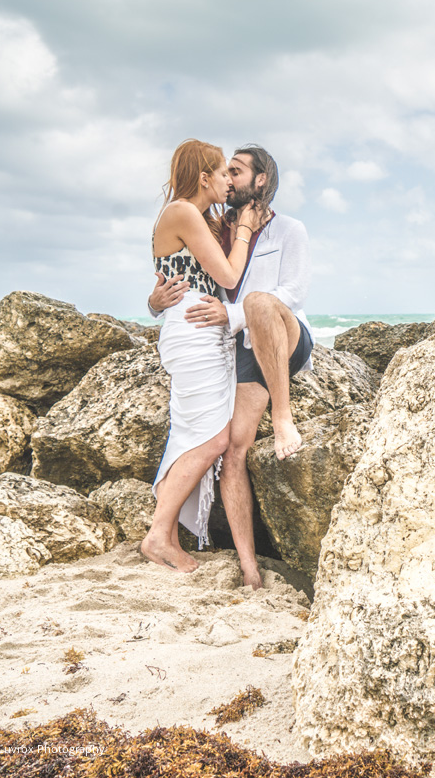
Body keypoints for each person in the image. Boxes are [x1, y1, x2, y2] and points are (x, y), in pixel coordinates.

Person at [148, 144, 314, 588]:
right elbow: (183, 277)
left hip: (282, 334)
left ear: (260, 181)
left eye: (236, 172)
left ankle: (283, 417)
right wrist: (154, 302)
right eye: (224, 171)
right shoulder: (214, 227)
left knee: (259, 301)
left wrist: (233, 313)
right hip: (234, 345)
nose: (228, 179)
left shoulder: (290, 229)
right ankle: (249, 568)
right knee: (231, 447)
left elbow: (293, 293)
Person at [141, 139, 262, 573]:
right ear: (205, 176)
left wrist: (153, 303)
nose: (229, 180)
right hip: (193, 331)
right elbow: (227, 275)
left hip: (203, 331)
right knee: (212, 439)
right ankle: (158, 535)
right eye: (223, 172)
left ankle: (168, 535)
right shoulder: (182, 212)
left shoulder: (200, 217)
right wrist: (244, 230)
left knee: (192, 434)